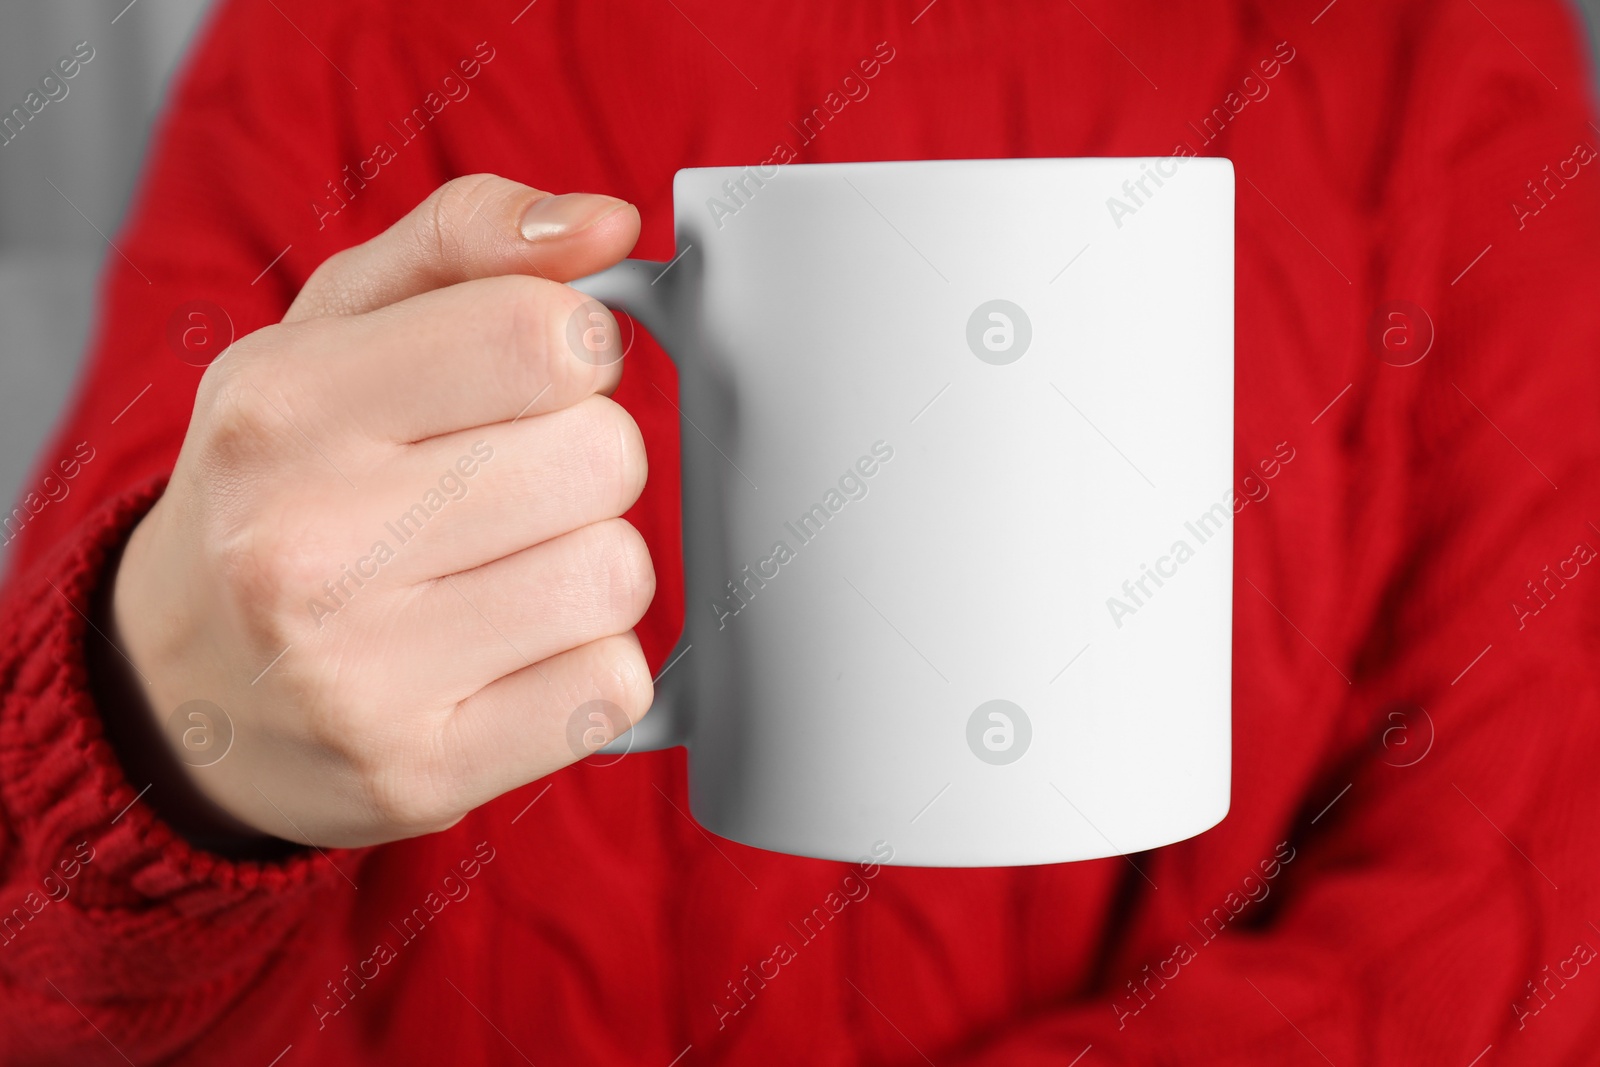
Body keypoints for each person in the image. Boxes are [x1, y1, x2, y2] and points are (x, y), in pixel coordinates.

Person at [3, 0, 1600, 1062]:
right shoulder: (352, 39)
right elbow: (35, 958)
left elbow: (1528, 905)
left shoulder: (1426, 52)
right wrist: (176, 756)